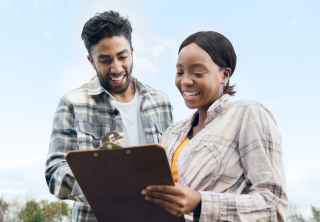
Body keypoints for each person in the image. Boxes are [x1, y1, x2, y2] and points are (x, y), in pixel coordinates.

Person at [142, 31, 288, 222]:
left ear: (224, 75)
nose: (185, 81)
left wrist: (201, 203)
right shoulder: (172, 133)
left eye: (197, 73)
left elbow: (274, 205)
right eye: (180, 72)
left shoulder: (248, 115)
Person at [45, 10, 173, 222]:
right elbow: (54, 172)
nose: (116, 68)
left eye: (122, 56)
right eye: (105, 60)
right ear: (91, 60)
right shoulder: (72, 103)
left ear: (132, 51)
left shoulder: (160, 102)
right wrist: (100, 187)